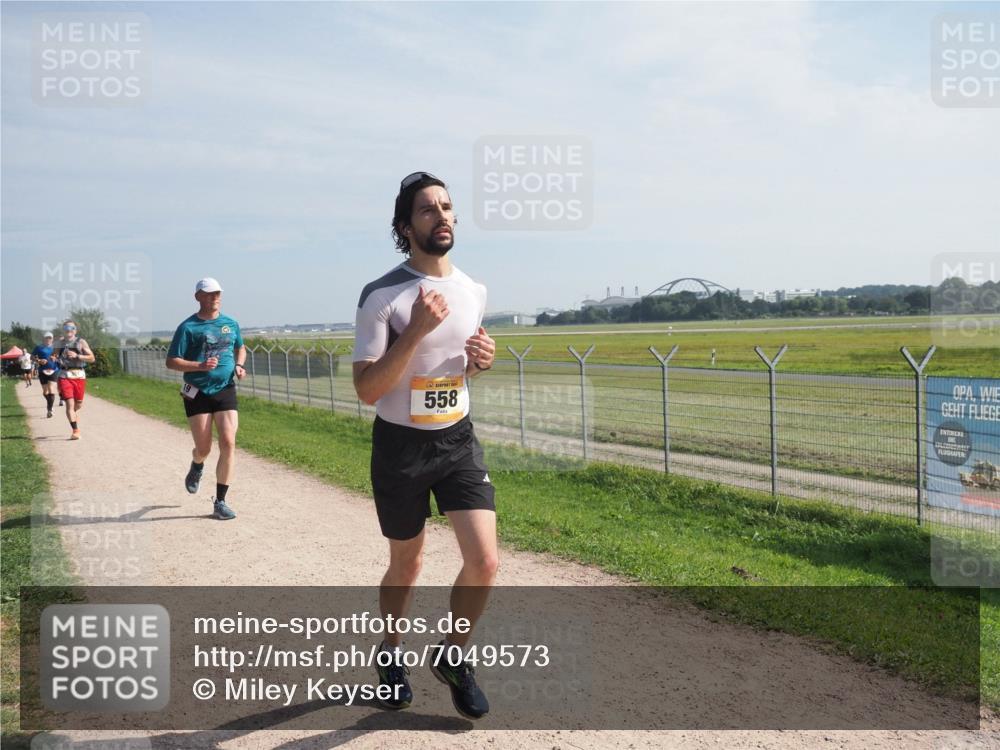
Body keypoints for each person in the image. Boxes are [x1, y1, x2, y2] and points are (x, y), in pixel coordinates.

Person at [353, 172, 497, 719]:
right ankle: (391, 656)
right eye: (427, 209)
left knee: (484, 560)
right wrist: (412, 331)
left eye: (447, 206)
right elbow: (368, 390)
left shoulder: (474, 291)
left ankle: (453, 658)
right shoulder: (383, 295)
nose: (441, 216)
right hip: (400, 447)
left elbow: (454, 373)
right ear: (405, 226)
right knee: (407, 566)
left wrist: (479, 365)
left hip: (458, 439)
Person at [165, 278, 246, 521]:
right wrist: (199, 365)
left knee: (229, 442)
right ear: (198, 296)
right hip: (197, 390)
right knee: (204, 448)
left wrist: (239, 365)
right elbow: (171, 361)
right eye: (209, 294)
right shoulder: (188, 327)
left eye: (217, 293)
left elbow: (240, 347)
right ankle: (197, 465)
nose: (214, 298)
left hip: (225, 388)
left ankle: (220, 501)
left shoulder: (230, 323)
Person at [54, 321, 95, 440]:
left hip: (79, 375)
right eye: (66, 327)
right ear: (63, 330)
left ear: (75, 330)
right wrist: (52, 358)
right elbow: (54, 355)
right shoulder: (59, 343)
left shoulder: (81, 342)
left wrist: (78, 356)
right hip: (64, 375)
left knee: (78, 404)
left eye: (72, 328)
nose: (69, 329)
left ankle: (72, 413)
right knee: (69, 405)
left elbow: (92, 358)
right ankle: (75, 430)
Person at [32, 332, 60, 417]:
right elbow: (32, 356)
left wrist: (56, 358)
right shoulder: (39, 347)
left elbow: (61, 356)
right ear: (43, 339)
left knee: (51, 389)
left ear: (52, 339)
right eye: (47, 338)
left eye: (50, 338)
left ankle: (49, 409)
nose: (48, 339)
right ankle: (50, 404)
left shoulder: (56, 348)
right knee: (45, 392)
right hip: (42, 371)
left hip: (54, 370)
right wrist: (39, 361)